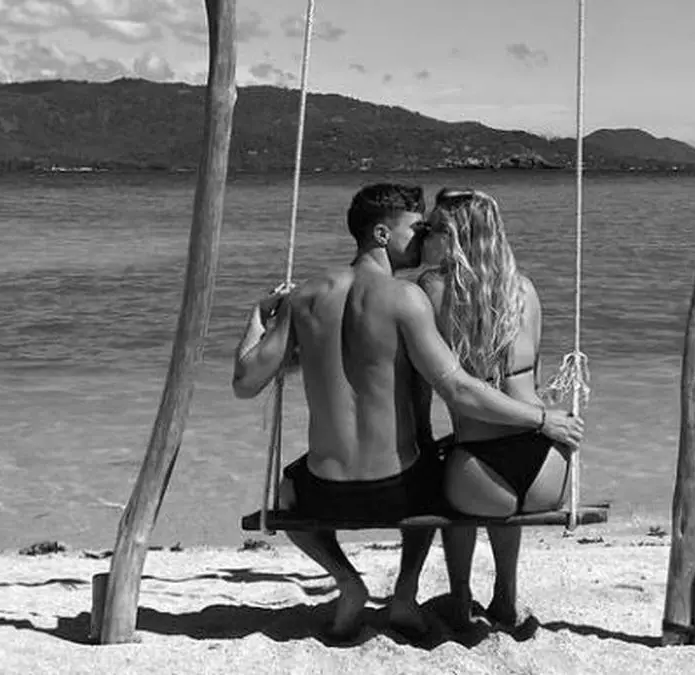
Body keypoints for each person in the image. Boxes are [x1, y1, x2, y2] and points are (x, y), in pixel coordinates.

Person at [231, 183, 583, 644]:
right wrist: (541, 419)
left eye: (429, 230)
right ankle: (418, 591)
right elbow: (463, 383)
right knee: (436, 470)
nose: (423, 238)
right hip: (463, 480)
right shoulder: (428, 297)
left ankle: (356, 582)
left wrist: (258, 318)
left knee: (289, 491)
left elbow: (245, 383)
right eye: (417, 229)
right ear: (382, 234)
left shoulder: (307, 298)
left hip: (329, 494)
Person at [413, 188, 572, 640]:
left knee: (446, 472)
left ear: (454, 235)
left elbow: (434, 388)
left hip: (480, 471)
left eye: (431, 228)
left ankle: (460, 599)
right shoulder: (525, 290)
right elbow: (532, 381)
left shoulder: (431, 290)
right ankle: (505, 596)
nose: (424, 236)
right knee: (501, 489)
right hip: (547, 468)